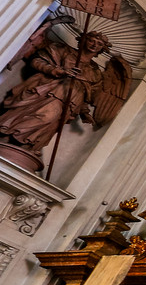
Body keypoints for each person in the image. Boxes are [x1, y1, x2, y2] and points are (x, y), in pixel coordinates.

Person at [0, 19, 128, 173]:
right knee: (44, 116)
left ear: (102, 49)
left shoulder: (95, 72)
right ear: (83, 40)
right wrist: (58, 71)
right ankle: (9, 137)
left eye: (99, 44)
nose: (94, 45)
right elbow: (37, 62)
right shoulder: (62, 50)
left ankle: (27, 147)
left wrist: (85, 113)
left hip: (70, 104)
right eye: (91, 40)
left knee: (50, 125)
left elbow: (88, 95)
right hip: (48, 91)